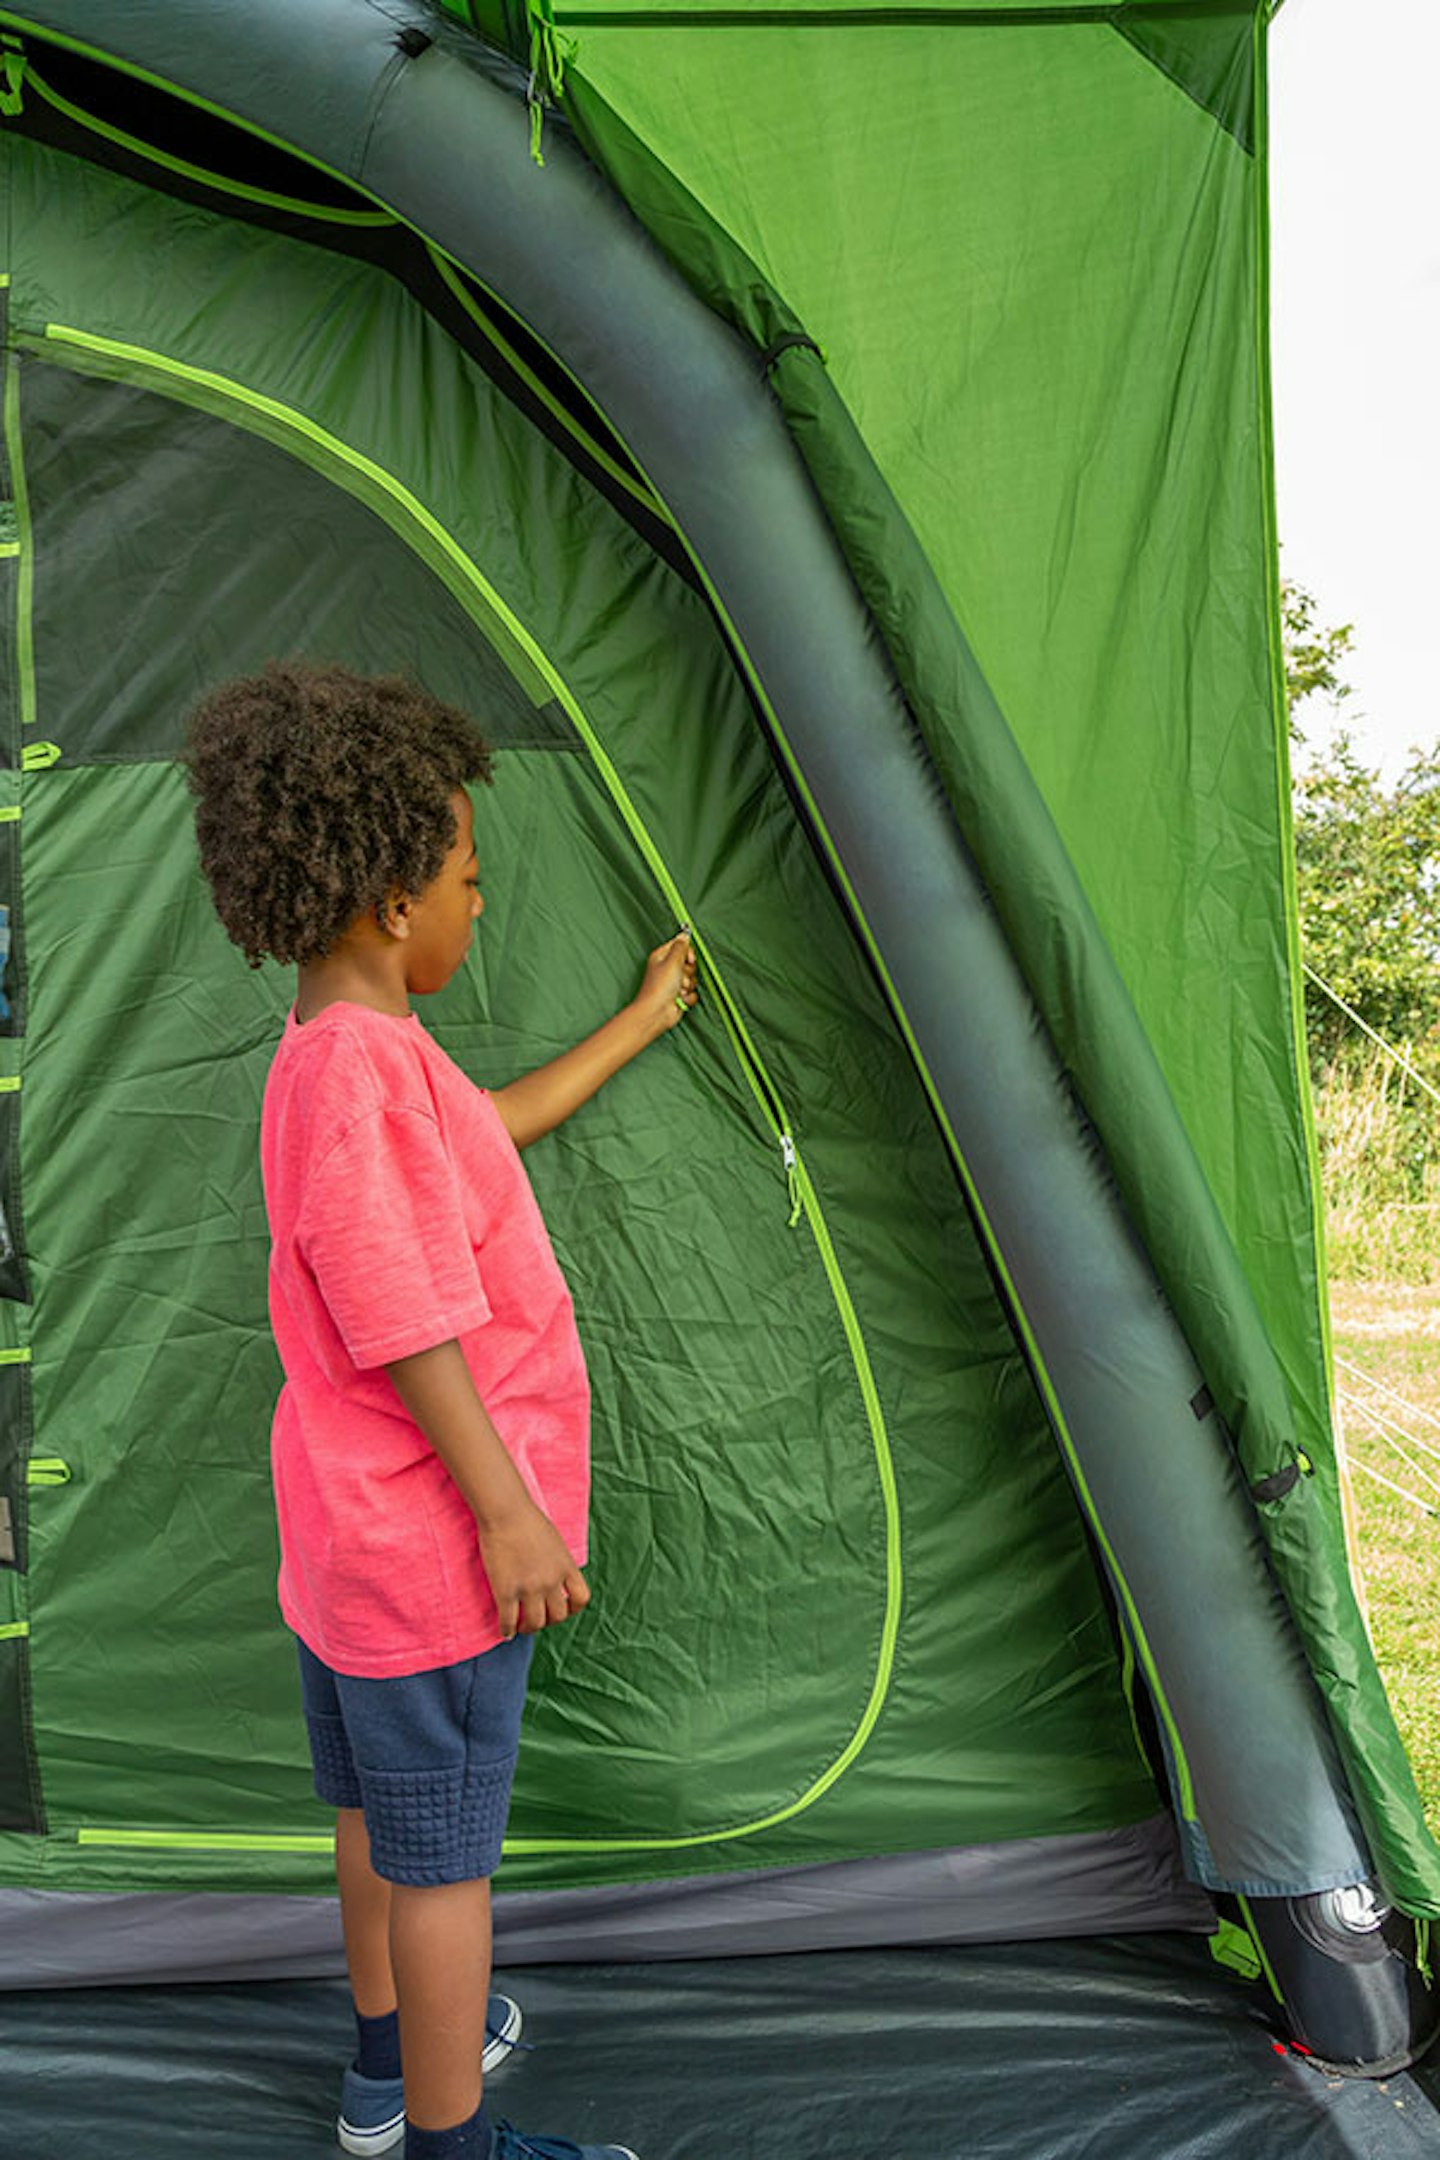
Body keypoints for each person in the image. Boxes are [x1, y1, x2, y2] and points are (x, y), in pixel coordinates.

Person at [186, 661, 696, 2160]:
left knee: (374, 1826)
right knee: (445, 1868)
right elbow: (403, 1320)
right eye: (470, 881)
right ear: (390, 905)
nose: (483, 907)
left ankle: (378, 2073)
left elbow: (491, 1131)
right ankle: (450, 2136)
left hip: (347, 1549)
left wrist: (640, 1022)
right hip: (429, 1557)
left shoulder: (353, 1056)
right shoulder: (356, 1073)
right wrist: (510, 1512)